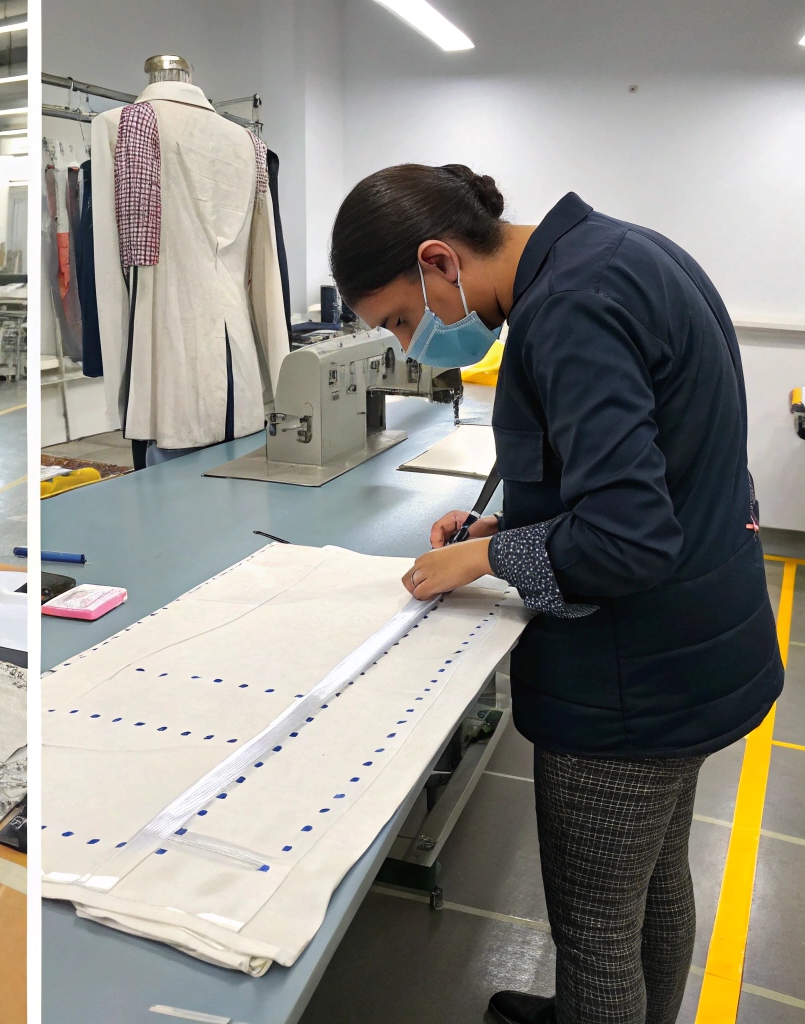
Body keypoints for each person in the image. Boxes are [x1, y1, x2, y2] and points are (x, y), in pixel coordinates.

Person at [329, 164, 782, 1024]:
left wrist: (489, 560)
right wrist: (505, 531)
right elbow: (651, 474)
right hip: (702, 643)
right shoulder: (623, 251)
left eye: (398, 319)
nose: (407, 340)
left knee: (597, 932)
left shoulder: (569, 308)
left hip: (631, 683)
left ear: (438, 261)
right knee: (654, 879)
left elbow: (626, 537)